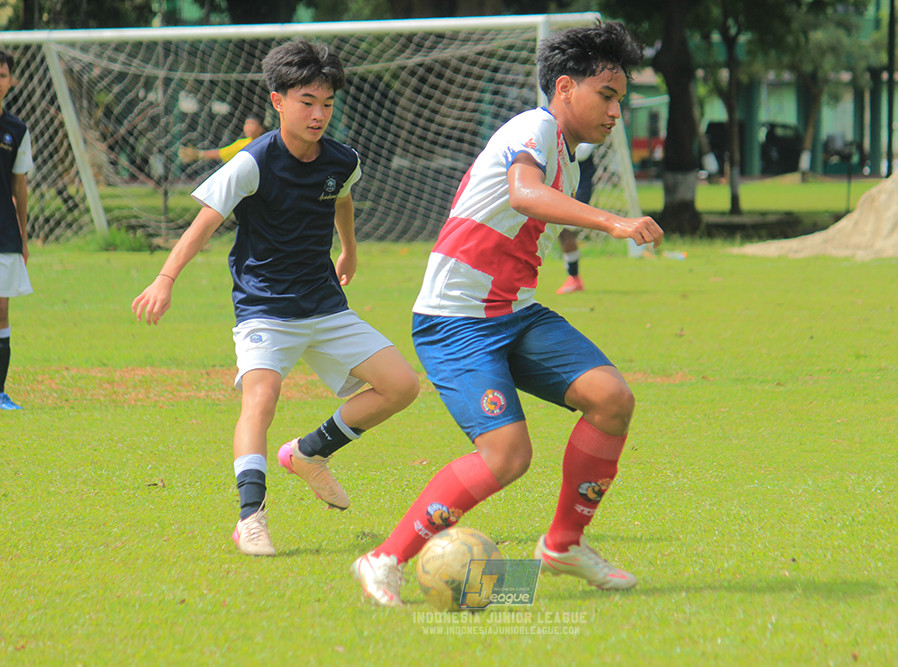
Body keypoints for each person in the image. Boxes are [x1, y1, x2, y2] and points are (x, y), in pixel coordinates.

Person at [351, 21, 663, 606]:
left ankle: (563, 545)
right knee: (508, 455)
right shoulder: (534, 126)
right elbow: (523, 192)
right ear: (566, 87)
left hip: (514, 315)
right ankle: (383, 559)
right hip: (455, 322)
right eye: (608, 94)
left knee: (612, 400)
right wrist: (614, 221)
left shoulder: (567, 156)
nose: (617, 110)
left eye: (621, 98)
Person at [132, 40, 420, 557]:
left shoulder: (341, 158)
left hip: (326, 305)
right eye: (307, 101)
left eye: (327, 104)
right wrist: (166, 278)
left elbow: (343, 197)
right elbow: (204, 225)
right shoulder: (252, 161)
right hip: (264, 307)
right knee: (260, 400)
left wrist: (349, 249)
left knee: (402, 386)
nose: (318, 114)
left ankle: (310, 453)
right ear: (277, 101)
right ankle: (251, 518)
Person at [0, 48, 33, 411]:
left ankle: (0, 392)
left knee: (2, 311)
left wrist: (23, 234)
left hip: (3, 230)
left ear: (11, 81)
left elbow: (19, 186)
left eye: (2, 74)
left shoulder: (16, 130)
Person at [555, 141, 596, 294]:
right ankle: (573, 278)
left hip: (579, 187)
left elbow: (583, 152)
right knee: (562, 230)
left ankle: (574, 277)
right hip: (563, 185)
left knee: (566, 228)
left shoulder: (585, 135)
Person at [179, 114, 266, 164]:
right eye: (246, 124)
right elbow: (222, 153)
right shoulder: (242, 143)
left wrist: (199, 154)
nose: (248, 128)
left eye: (252, 124)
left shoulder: (266, 142)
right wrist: (199, 154)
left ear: (261, 128)